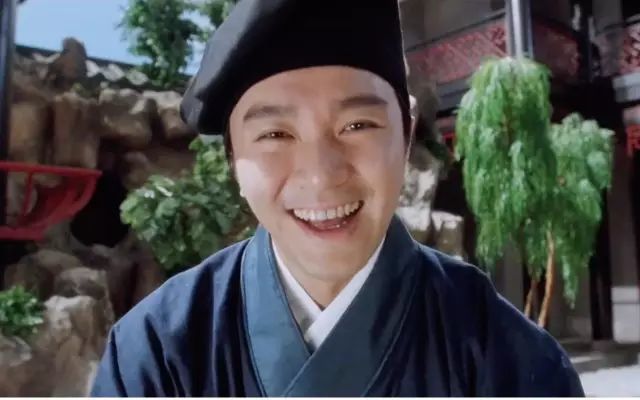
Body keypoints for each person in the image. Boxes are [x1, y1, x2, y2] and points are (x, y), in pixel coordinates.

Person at [90, 0, 585, 396]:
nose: (321, 176)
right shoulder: (158, 352)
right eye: (275, 135)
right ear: (233, 160)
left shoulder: (508, 358)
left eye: (357, 125)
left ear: (407, 134)